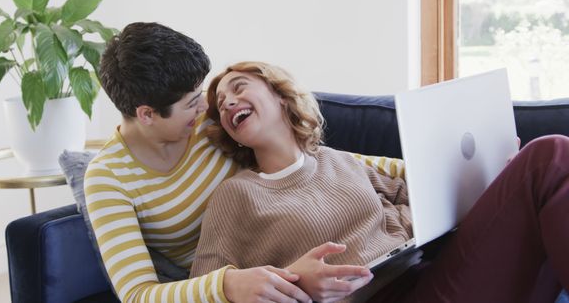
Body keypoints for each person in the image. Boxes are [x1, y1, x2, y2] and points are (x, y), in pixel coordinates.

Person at [191, 61, 569, 302]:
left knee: (548, 158)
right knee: (548, 155)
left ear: (280, 95)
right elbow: (206, 289)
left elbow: (429, 203)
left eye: (238, 87)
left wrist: (498, 181)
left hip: (431, 276)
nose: (226, 102)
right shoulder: (237, 195)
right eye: (220, 102)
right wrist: (296, 283)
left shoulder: (340, 161)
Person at [84, 22, 371, 303]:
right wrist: (227, 285)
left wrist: (404, 169)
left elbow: (308, 158)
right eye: (191, 102)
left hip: (297, 243)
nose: (206, 106)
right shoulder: (108, 177)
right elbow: (137, 294)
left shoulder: (208, 124)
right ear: (147, 114)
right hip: (239, 282)